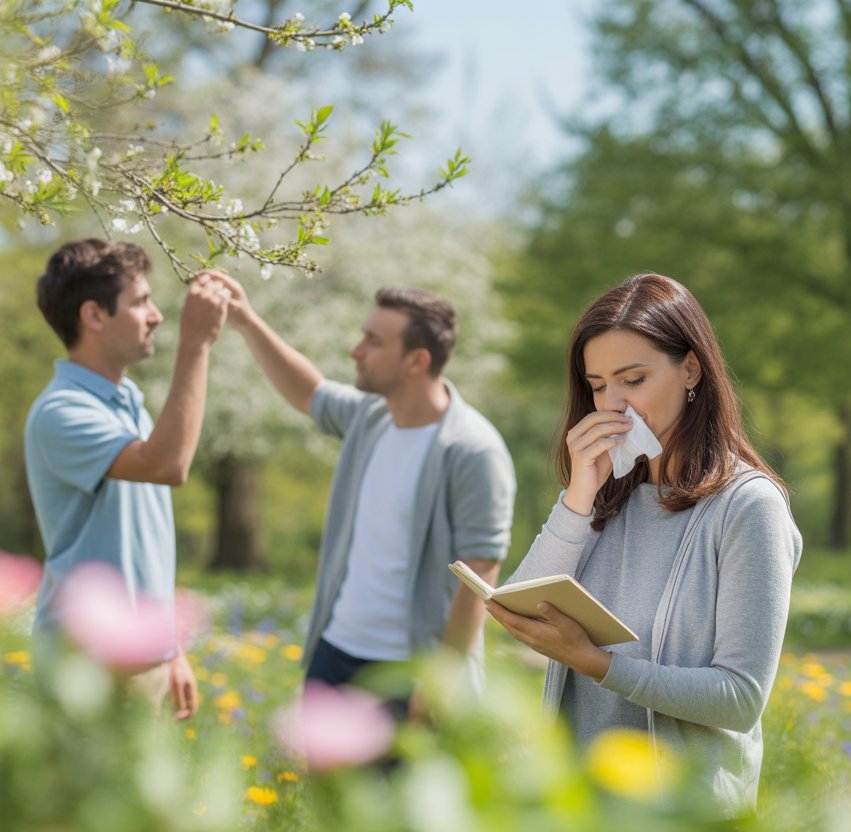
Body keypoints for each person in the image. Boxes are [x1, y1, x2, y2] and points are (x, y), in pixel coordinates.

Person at [487, 273, 802, 818]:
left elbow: (740, 699)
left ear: (690, 370)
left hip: (683, 811)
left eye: (633, 379)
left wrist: (596, 663)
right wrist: (579, 492)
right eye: (598, 384)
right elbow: (518, 604)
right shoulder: (606, 496)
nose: (615, 404)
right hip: (578, 805)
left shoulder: (749, 507)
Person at [215, 276, 515, 712]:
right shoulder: (369, 417)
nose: (356, 351)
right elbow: (308, 391)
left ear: (416, 360)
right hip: (333, 656)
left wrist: (439, 690)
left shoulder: (473, 450)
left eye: (373, 342)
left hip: (407, 676)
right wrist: (244, 320)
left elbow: (481, 573)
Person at [25, 238, 232, 720]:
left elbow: (139, 545)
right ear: (94, 316)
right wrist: (196, 343)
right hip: (91, 663)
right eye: (140, 302)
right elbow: (167, 465)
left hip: (139, 654)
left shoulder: (126, 399)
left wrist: (170, 647)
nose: (156, 315)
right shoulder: (62, 411)